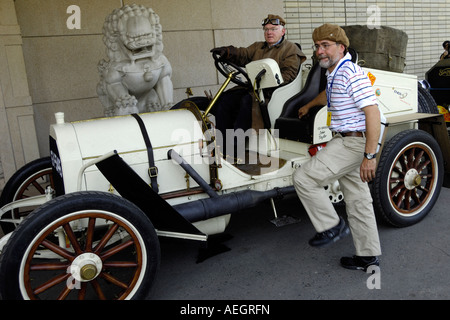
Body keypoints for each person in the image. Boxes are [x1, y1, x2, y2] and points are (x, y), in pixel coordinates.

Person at [293, 23, 382, 271]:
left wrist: (370, 156)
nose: (320, 51)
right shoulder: (335, 72)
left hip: (352, 142)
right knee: (358, 199)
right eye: (317, 46)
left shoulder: (350, 73)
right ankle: (368, 256)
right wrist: (310, 105)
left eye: (326, 46)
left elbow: (372, 113)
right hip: (347, 140)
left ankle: (332, 226)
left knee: (303, 177)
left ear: (341, 47)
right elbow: (329, 94)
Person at [209, 14, 306, 159]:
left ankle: (235, 151)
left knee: (246, 103)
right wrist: (228, 52)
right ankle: (223, 147)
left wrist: (265, 85)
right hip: (253, 90)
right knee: (225, 100)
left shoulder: (290, 49)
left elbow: (288, 77)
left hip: (274, 94)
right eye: (266, 29)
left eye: (273, 29)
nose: (269, 32)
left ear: (283, 31)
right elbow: (242, 54)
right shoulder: (258, 47)